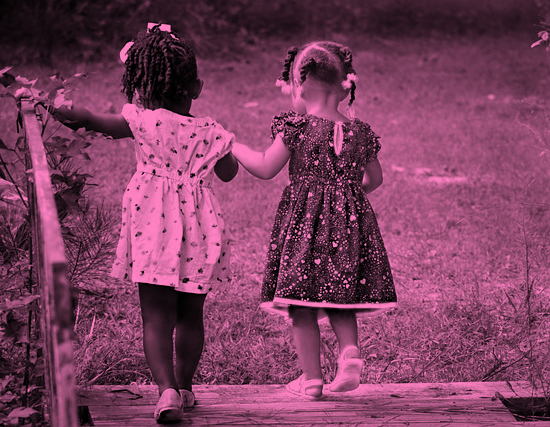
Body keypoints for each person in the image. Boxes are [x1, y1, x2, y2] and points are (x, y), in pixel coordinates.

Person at [50, 24, 239, 423]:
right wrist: (214, 147)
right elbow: (228, 173)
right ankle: (186, 387)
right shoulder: (210, 131)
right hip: (201, 231)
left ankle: (166, 391)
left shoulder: (141, 120)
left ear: (140, 86)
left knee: (156, 317)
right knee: (191, 315)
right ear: (197, 87)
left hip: (152, 227)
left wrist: (48, 103)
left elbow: (87, 120)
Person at [232, 41, 397, 399]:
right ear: (343, 85)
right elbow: (375, 179)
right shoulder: (361, 132)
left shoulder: (298, 128)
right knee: (341, 295)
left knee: (302, 302)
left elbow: (264, 167)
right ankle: (349, 353)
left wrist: (232, 145)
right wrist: (348, 198)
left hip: (305, 229)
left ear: (300, 84)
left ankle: (311, 381)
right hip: (349, 228)